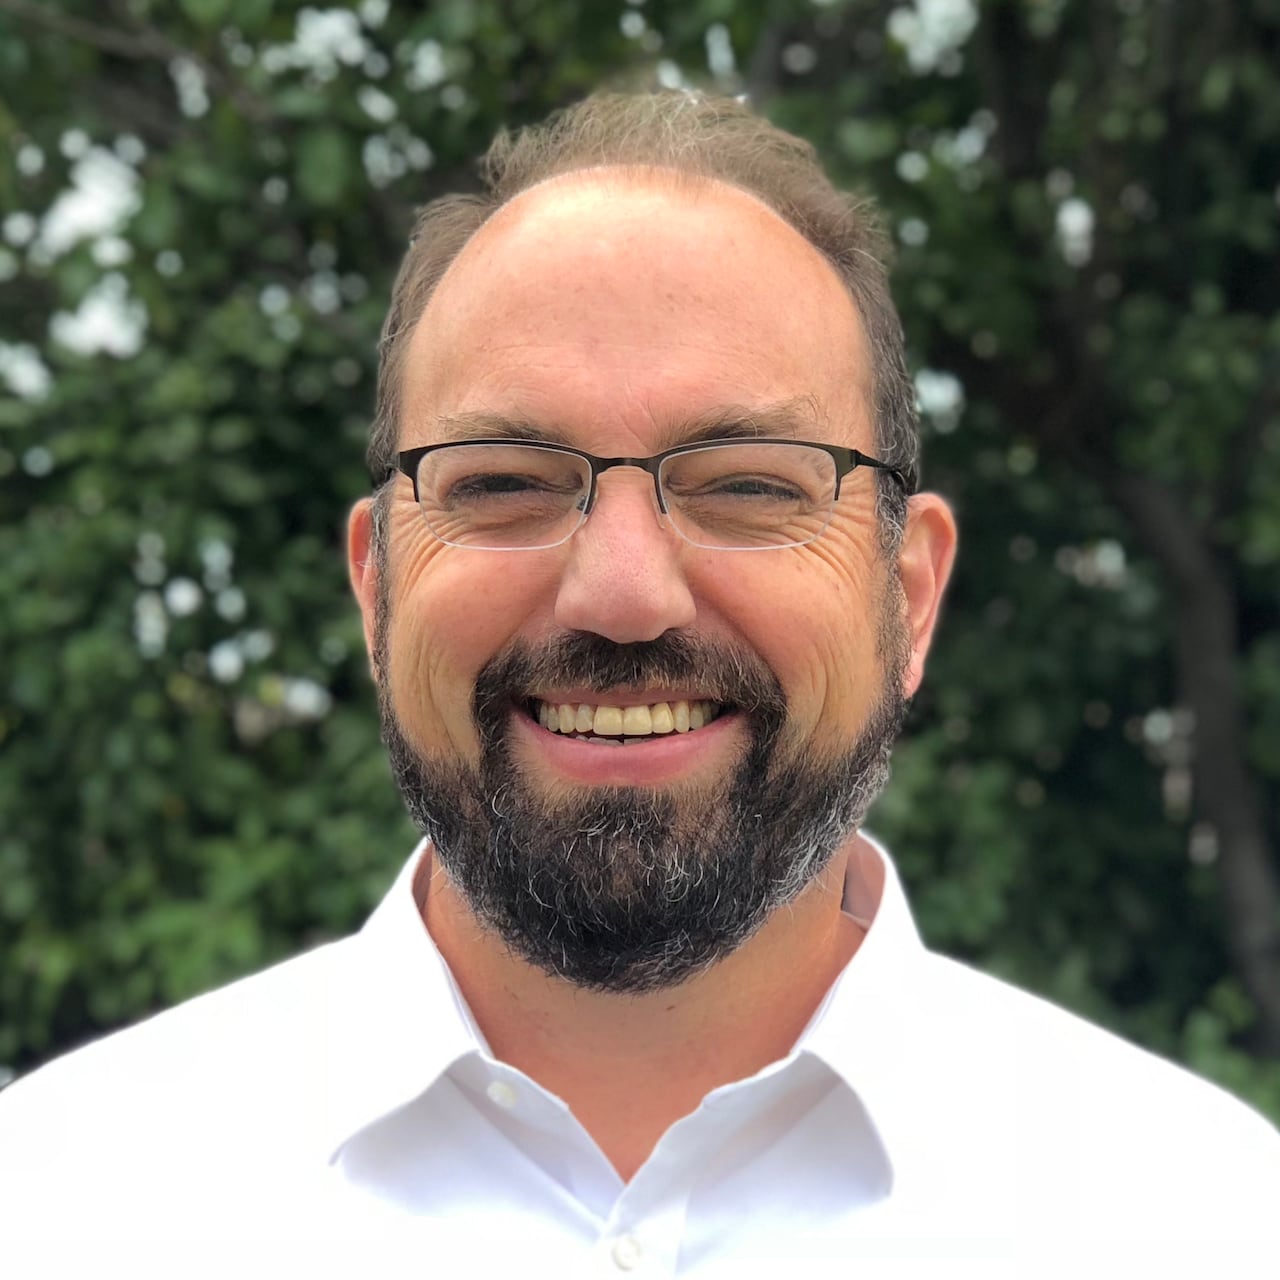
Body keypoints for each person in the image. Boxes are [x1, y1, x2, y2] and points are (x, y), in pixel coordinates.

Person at [1, 92, 1276, 1276]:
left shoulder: (1200, 1216)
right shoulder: (63, 1201)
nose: (620, 591)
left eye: (748, 483)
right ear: (377, 584)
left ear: (907, 596)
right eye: (501, 480)